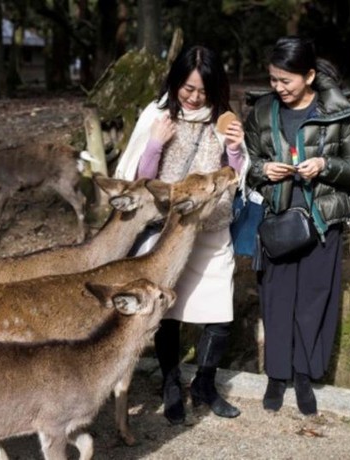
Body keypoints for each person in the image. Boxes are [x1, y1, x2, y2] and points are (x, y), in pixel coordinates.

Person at [114, 45, 249, 424]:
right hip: (169, 230)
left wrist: (236, 149)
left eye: (202, 91)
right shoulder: (156, 114)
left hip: (210, 228)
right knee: (168, 311)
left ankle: (205, 382)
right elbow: (140, 179)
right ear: (176, 82)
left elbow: (236, 177)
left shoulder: (224, 120)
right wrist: (156, 142)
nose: (193, 97)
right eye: (187, 89)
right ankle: (171, 380)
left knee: (220, 314)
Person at [244, 36, 350, 416]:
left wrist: (326, 166)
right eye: (273, 80)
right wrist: (264, 170)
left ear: (309, 75)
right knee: (277, 302)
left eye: (286, 80)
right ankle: (276, 376)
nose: (278, 88)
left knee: (313, 303)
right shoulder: (263, 111)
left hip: (321, 222)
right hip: (278, 223)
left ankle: (303, 376)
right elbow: (246, 166)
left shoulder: (340, 113)